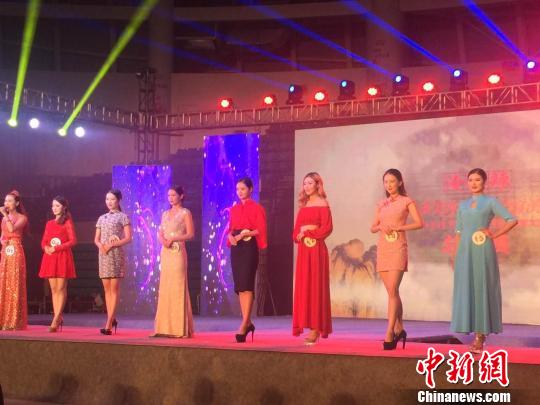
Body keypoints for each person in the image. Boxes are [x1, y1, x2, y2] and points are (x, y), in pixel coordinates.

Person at [452, 168, 517, 353]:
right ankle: (471, 328)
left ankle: (480, 336)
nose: (473, 183)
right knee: (467, 288)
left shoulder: (491, 201)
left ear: (484, 182)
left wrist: (494, 234)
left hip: (482, 249)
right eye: (470, 180)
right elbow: (458, 231)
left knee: (482, 287)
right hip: (465, 252)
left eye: (477, 180)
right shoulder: (463, 205)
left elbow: (512, 219)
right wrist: (457, 255)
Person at [370, 169, 423, 350]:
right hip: (384, 248)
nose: (389, 185)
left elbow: (419, 223)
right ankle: (400, 328)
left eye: (392, 181)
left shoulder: (407, 201)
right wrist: (381, 227)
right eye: (386, 182)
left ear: (400, 182)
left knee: (393, 290)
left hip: (398, 247)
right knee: (392, 293)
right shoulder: (382, 204)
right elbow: (372, 227)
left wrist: (400, 227)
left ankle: (390, 332)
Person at [292, 172, 333, 345]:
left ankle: (316, 328)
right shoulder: (304, 205)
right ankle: (306, 323)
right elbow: (296, 231)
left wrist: (308, 232)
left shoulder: (323, 203)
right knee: (304, 287)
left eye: (310, 183)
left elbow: (327, 228)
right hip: (304, 250)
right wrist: (298, 235)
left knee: (316, 286)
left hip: (316, 249)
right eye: (305, 183)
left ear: (317, 185)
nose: (307, 186)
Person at [227, 178, 267, 343]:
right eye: (237, 189)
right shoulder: (234, 209)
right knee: (241, 287)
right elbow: (231, 228)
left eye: (243, 189)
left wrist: (245, 234)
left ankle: (244, 324)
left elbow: (260, 230)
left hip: (249, 247)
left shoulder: (257, 208)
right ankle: (247, 322)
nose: (240, 192)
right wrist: (231, 236)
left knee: (247, 283)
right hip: (237, 247)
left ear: (250, 189)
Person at [153, 186, 194, 338]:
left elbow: (190, 234)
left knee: (178, 287)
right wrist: (163, 240)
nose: (170, 198)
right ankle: (165, 327)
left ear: (181, 196)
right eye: (169, 195)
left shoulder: (185, 213)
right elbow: (160, 232)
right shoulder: (165, 214)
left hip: (178, 252)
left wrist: (174, 238)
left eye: (174, 195)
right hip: (166, 252)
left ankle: (179, 328)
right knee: (166, 287)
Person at [94, 189, 132, 335]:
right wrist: (101, 246)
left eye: (112, 199)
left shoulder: (123, 217)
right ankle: (112, 318)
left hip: (115, 254)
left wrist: (112, 245)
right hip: (103, 255)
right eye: (107, 199)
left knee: (114, 289)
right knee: (107, 290)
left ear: (118, 200)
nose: (109, 202)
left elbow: (128, 238)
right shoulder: (101, 218)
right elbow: (96, 239)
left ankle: (108, 323)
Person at [39, 196, 77, 332]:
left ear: (64, 207)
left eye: (57, 206)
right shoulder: (49, 223)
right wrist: (46, 248)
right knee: (54, 289)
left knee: (61, 288)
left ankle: (56, 318)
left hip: (62, 256)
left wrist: (57, 248)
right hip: (50, 257)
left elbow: (73, 241)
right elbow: (44, 241)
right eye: (53, 206)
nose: (54, 208)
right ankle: (57, 316)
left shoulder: (67, 222)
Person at [0, 190, 29, 331]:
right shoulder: (4, 219)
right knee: (4, 282)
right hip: (6, 251)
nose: (6, 203)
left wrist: (5, 215)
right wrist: (3, 242)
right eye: (5, 201)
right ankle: (3, 319)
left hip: (16, 250)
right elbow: (2, 235)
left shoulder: (22, 218)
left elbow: (12, 230)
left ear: (17, 203)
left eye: (10, 201)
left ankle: (14, 320)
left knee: (14, 283)